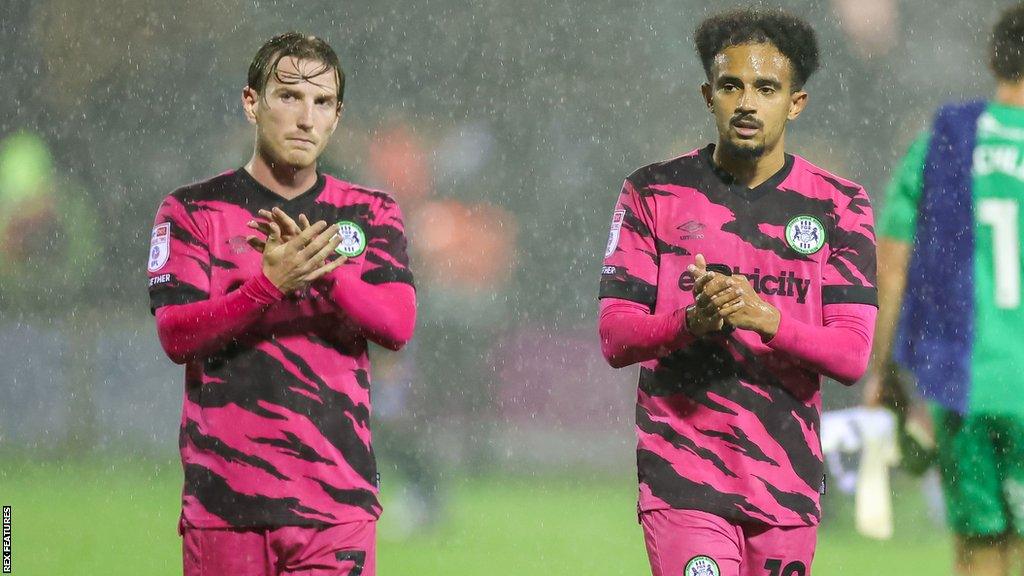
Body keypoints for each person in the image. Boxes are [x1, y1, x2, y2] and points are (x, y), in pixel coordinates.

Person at [597, 9, 877, 576]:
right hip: (685, 478)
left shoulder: (840, 206)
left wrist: (764, 317)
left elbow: (851, 355)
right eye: (732, 86)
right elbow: (615, 335)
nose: (747, 102)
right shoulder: (653, 193)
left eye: (766, 88)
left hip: (788, 484)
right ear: (709, 95)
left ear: (795, 102)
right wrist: (690, 323)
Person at [147, 32, 416, 576]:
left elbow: (397, 325)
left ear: (337, 116)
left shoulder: (371, 212)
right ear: (252, 103)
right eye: (289, 96)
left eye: (322, 103)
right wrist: (266, 287)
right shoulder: (193, 211)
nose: (305, 118)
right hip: (225, 507)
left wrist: (323, 276)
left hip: (336, 505)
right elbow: (176, 336)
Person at [865, 5, 1024, 574]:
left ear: (994, 59)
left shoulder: (945, 140)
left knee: (980, 550)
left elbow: (891, 264)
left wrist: (885, 371)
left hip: (967, 381)